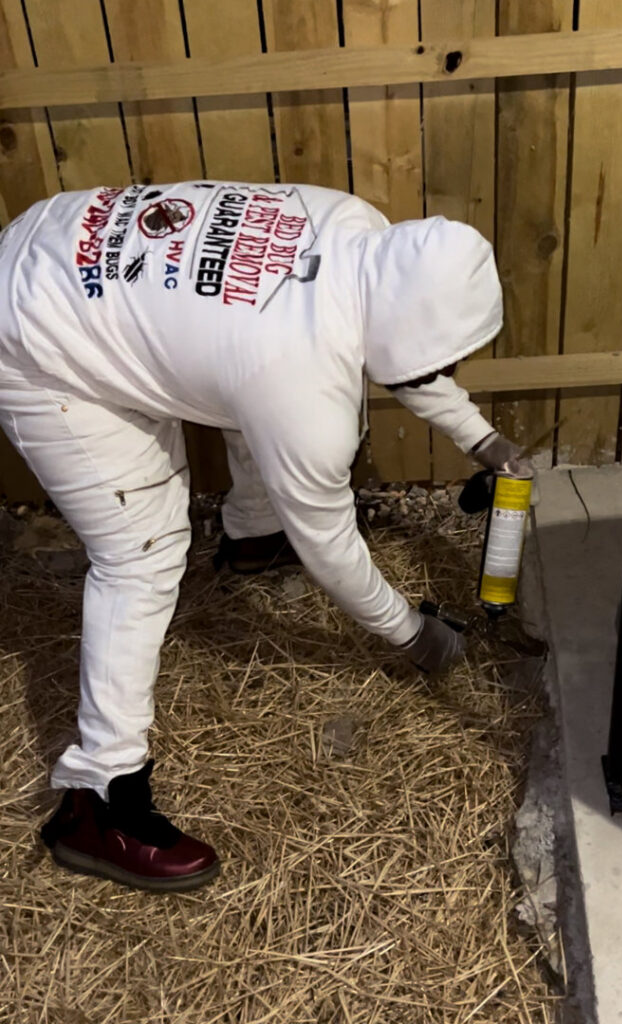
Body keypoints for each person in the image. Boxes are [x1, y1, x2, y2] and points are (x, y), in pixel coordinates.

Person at [0, 181, 528, 893]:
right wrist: (410, 633)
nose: (443, 369)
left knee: (244, 398)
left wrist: (481, 438)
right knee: (141, 555)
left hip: (63, 240)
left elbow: (402, 349)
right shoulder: (301, 385)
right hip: (37, 339)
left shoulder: (354, 225)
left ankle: (251, 538)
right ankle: (98, 802)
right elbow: (331, 549)